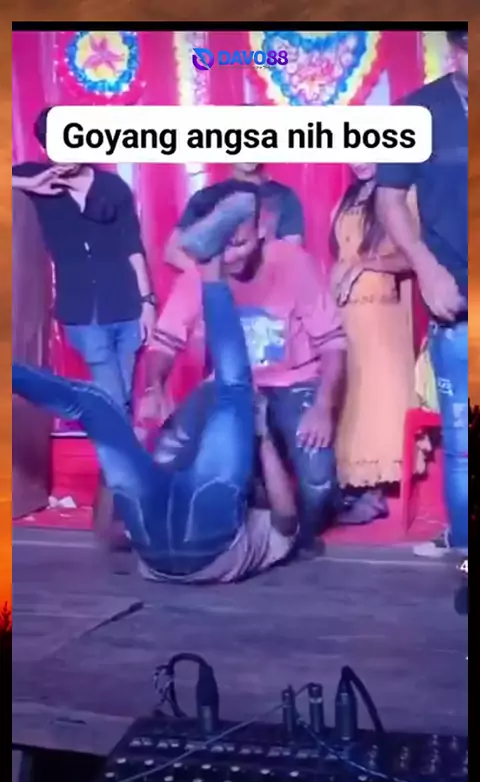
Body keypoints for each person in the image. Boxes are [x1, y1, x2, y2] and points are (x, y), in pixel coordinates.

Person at [12, 193, 301, 584]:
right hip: (166, 546)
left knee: (233, 389)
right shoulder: (219, 497)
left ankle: (210, 266)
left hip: (198, 545)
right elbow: (285, 519)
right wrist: (262, 437)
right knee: (97, 406)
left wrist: (119, 465)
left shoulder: (237, 504)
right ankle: (210, 263)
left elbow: (109, 536)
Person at [142, 185, 346, 556]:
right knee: (163, 456)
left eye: (239, 243)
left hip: (293, 382)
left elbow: (332, 343)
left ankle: (290, 534)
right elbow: (165, 343)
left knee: (318, 484)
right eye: (222, 245)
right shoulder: (203, 271)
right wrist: (154, 387)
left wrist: (323, 406)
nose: (230, 256)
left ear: (261, 228)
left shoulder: (292, 262)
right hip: (227, 385)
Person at [376, 29, 468, 558]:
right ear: (456, 52)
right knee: (463, 444)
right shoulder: (415, 112)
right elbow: (389, 200)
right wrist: (426, 269)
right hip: (456, 299)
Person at [12, 106, 156, 414]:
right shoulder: (36, 180)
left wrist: (147, 303)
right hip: (81, 312)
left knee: (121, 397)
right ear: (46, 148)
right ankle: (120, 445)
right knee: (112, 399)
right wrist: (29, 185)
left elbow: (133, 247)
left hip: (127, 307)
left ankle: (116, 445)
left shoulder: (112, 188)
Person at [329, 163, 423, 524]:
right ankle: (348, 489)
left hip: (380, 317)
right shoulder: (348, 198)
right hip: (344, 314)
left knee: (377, 400)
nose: (359, 160)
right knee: (348, 399)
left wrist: (365, 264)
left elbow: (412, 256)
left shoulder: (402, 195)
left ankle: (373, 492)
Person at [164, 162, 305, 272]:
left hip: (264, 293)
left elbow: (291, 252)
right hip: (211, 291)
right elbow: (172, 252)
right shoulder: (205, 197)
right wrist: (209, 276)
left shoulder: (284, 196)